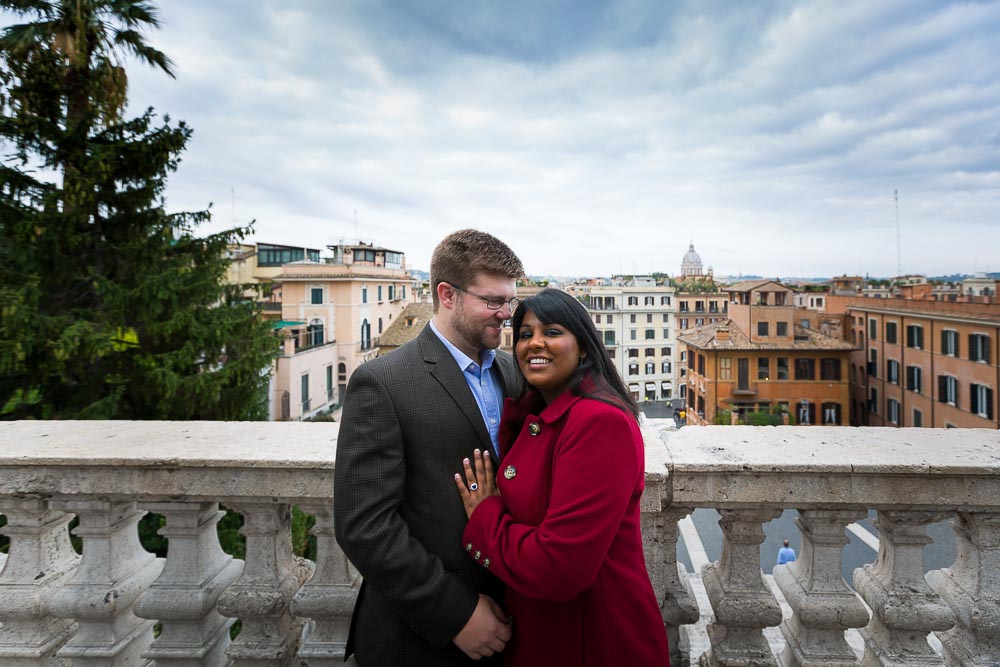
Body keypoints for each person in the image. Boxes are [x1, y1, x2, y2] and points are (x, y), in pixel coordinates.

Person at [334, 229, 525, 665]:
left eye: (510, 301)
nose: (506, 315)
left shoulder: (514, 372)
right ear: (447, 295)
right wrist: (456, 614)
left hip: (511, 622)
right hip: (420, 638)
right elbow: (364, 525)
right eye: (493, 302)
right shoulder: (383, 382)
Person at [454, 288, 670, 666]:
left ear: (583, 347)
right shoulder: (544, 415)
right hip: (549, 634)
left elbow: (559, 568)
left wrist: (486, 516)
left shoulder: (600, 424)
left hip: (595, 640)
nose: (534, 342)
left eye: (552, 331)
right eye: (524, 334)